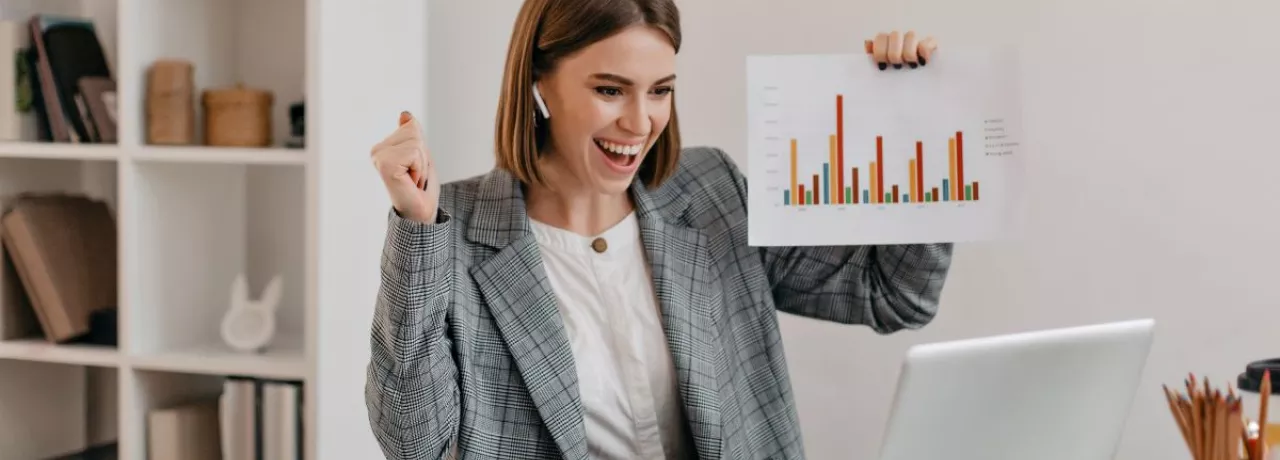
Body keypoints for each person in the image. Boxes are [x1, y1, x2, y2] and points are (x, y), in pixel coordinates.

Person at [365, 0, 952, 458]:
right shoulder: (451, 231)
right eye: (610, 90)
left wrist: (914, 127)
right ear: (540, 83)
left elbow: (895, 295)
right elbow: (413, 443)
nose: (640, 122)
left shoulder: (712, 192)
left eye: (660, 91)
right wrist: (416, 228)